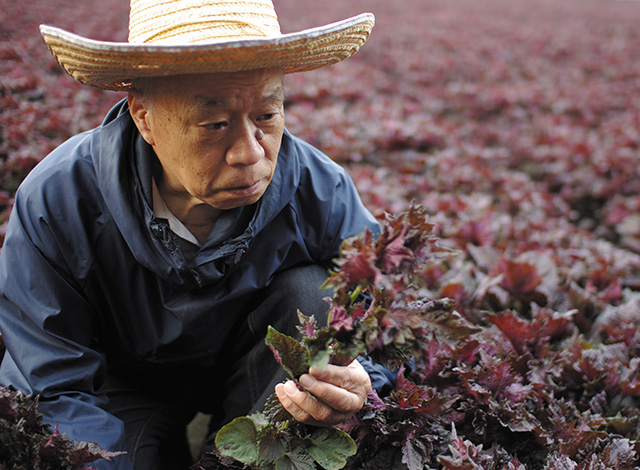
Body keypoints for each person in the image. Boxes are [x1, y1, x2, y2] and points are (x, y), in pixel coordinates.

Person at [0, 0, 383, 469]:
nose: (248, 153)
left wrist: (363, 384)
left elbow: (379, 318)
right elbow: (55, 381)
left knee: (313, 293)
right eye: (214, 125)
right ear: (145, 118)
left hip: (263, 378)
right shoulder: (58, 199)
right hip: (120, 384)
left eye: (266, 115)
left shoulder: (322, 191)